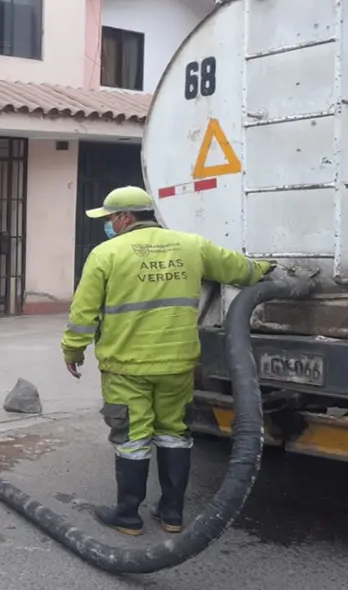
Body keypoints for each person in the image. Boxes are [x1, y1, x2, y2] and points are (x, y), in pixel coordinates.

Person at [62, 185, 274, 536]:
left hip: (126, 366)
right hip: (178, 364)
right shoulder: (192, 245)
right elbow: (241, 270)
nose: (109, 225)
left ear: (125, 217)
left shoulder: (105, 254)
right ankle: (172, 513)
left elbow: (83, 314)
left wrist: (73, 350)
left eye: (110, 218)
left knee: (132, 436)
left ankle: (128, 515)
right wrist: (267, 268)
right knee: (175, 433)